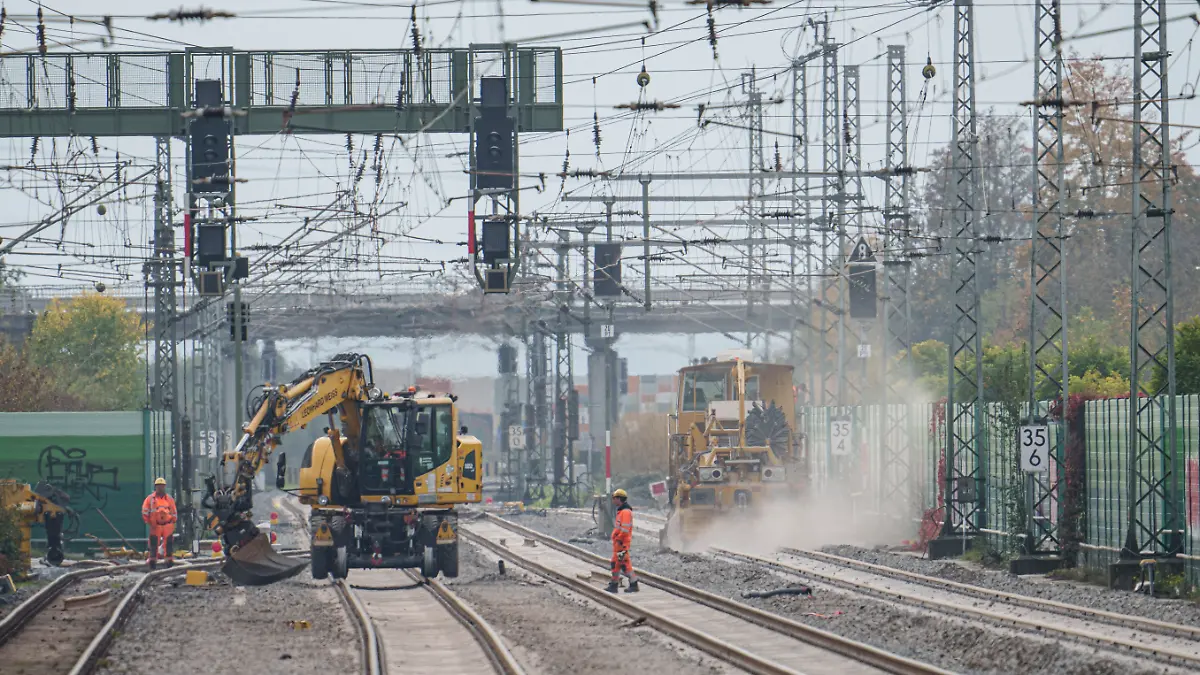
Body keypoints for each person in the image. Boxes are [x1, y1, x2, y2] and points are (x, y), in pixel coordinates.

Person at [606, 488, 639, 593]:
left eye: (614, 498)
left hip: (622, 543)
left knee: (621, 564)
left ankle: (629, 584)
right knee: (618, 563)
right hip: (619, 543)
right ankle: (616, 584)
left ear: (619, 499)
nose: (613, 500)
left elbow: (624, 530)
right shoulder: (622, 511)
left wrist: (618, 538)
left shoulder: (625, 512)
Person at [142, 477, 178, 569]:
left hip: (167, 524)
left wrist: (173, 521)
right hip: (155, 525)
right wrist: (149, 521)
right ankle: (152, 561)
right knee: (154, 543)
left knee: (169, 543)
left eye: (162, 486)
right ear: (155, 487)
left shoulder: (169, 499)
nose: (160, 488)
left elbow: (174, 511)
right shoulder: (150, 499)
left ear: (164, 487)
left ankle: (169, 561)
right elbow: (145, 511)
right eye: (158, 486)